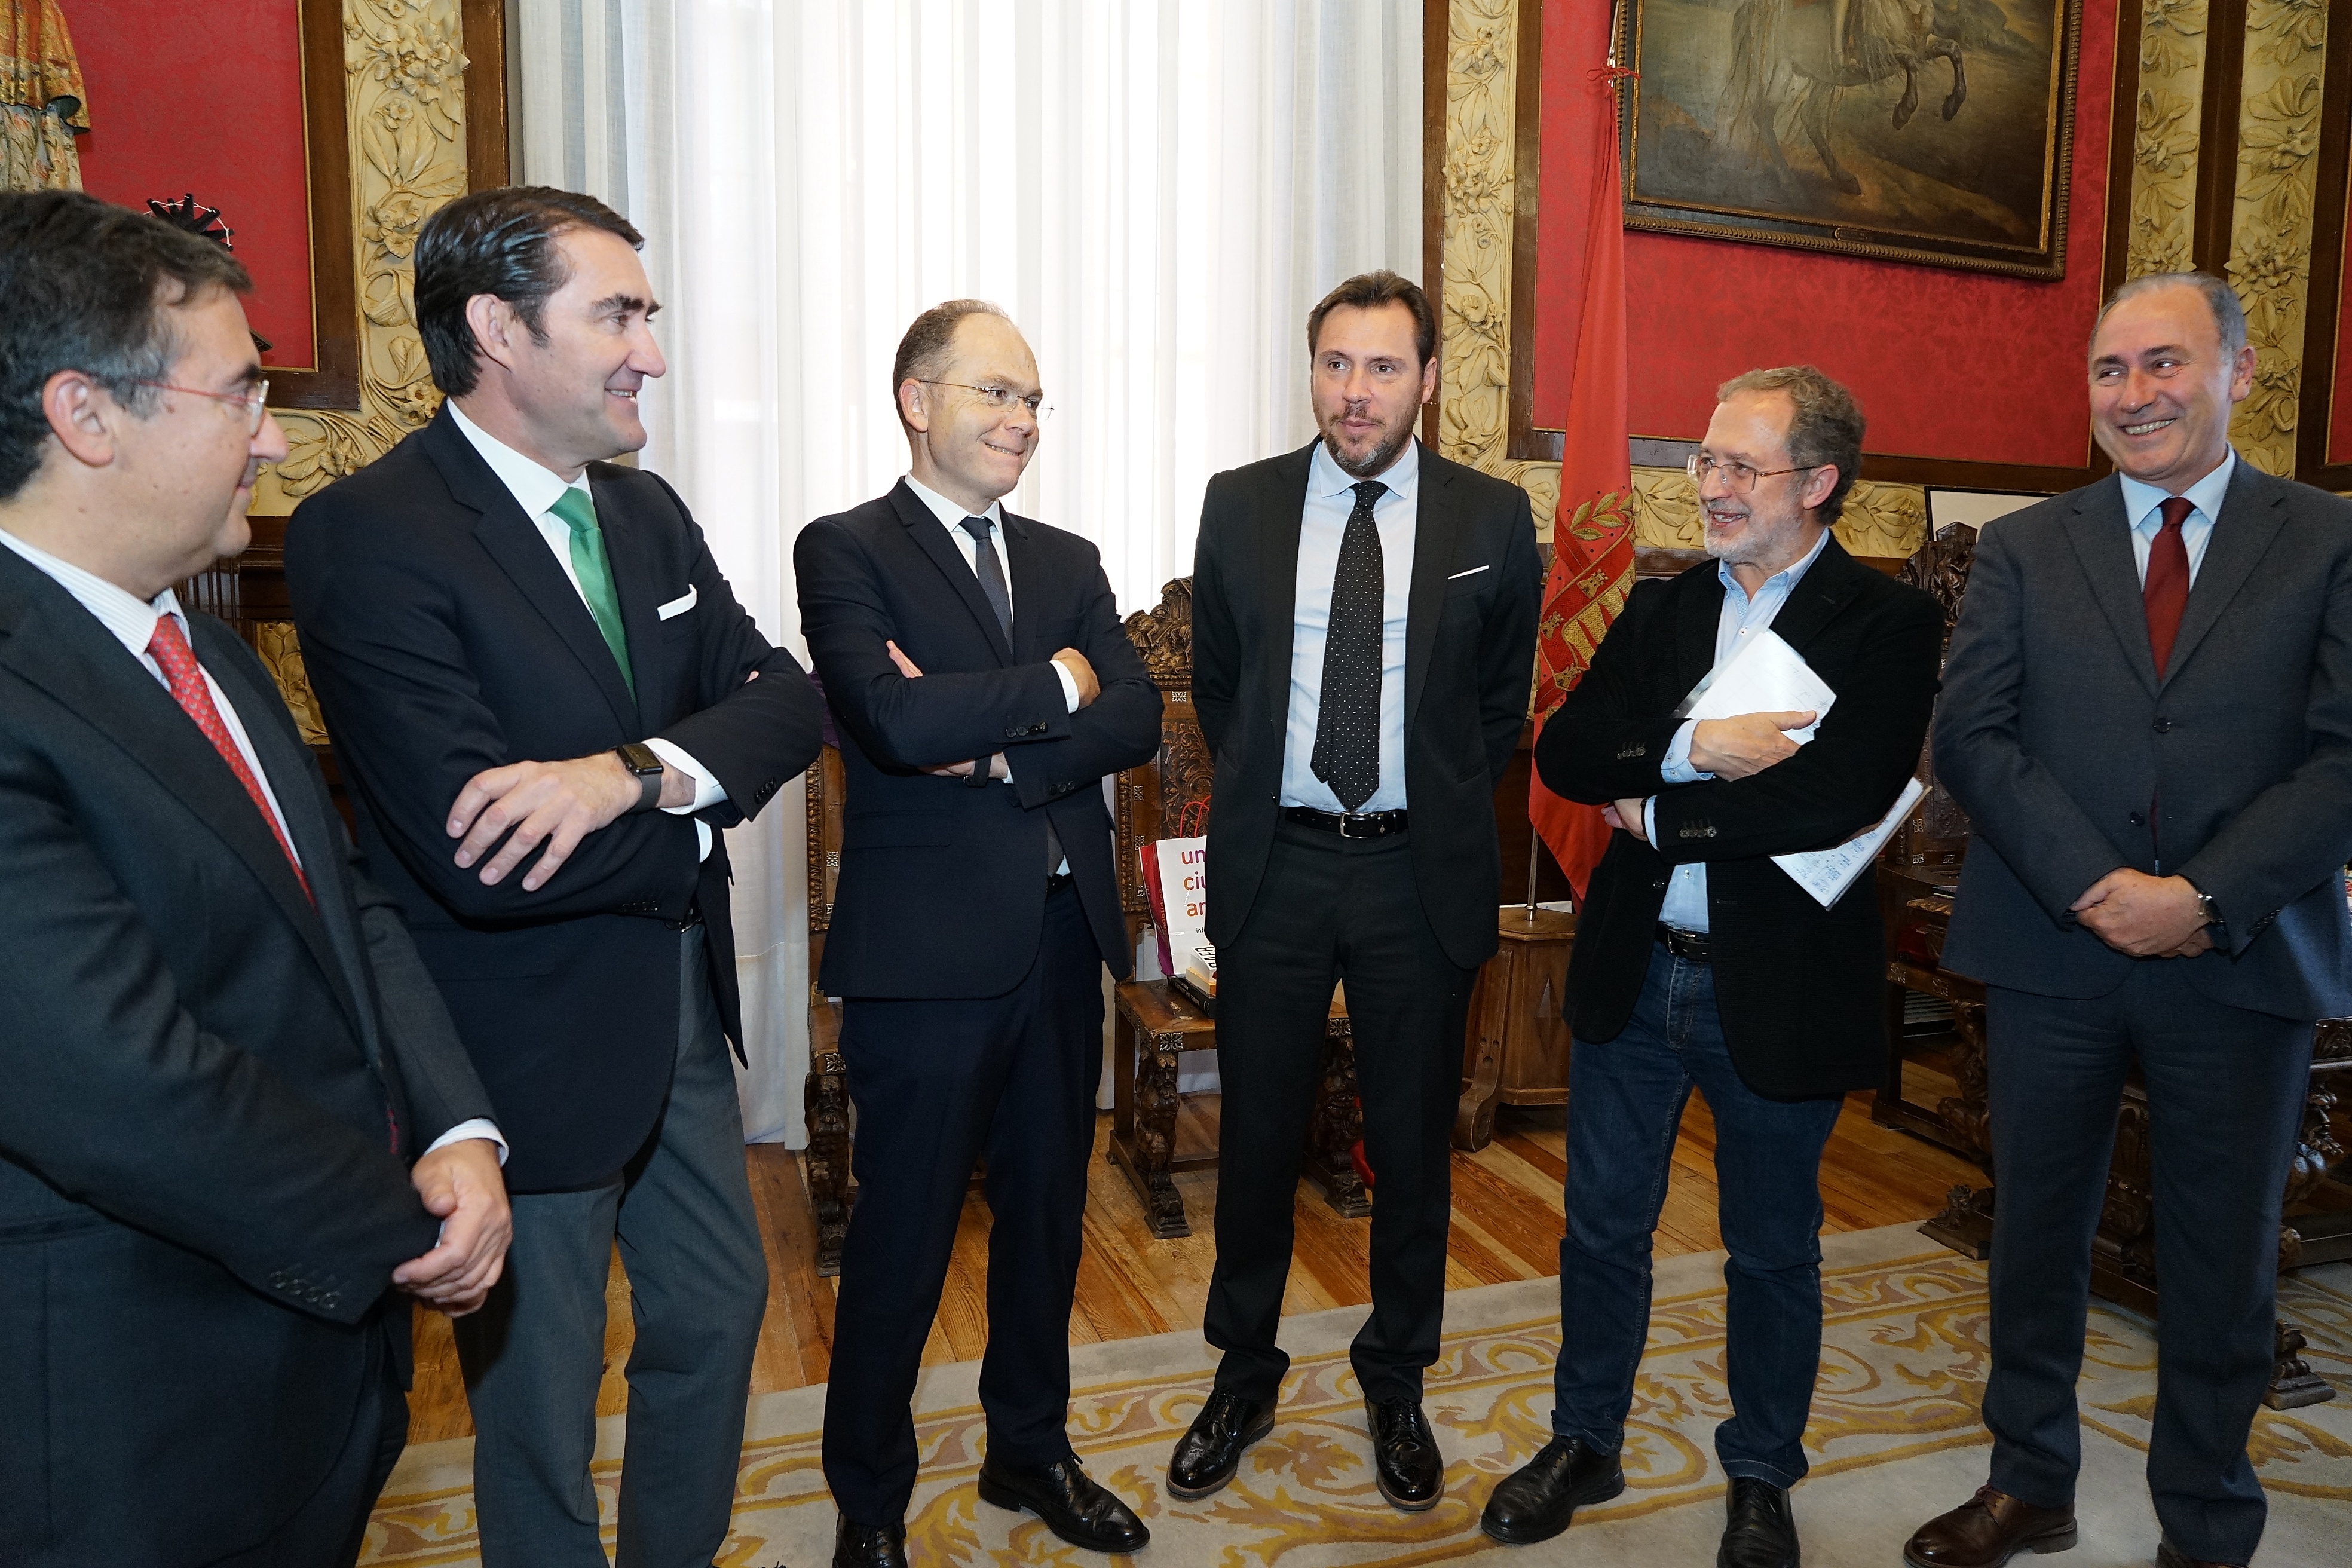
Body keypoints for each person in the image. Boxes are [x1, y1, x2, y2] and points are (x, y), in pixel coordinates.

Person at [284, 186, 823, 1567]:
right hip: (516, 1052)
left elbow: (787, 701)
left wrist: (625, 775)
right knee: (540, 1398)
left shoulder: (646, 514)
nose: (654, 353)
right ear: (495, 329)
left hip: (678, 1017)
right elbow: (485, 861)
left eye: (649, 315)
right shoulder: (369, 533)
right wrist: (698, 815)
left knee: (716, 1316)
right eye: (618, 316)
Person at [0, 190, 510, 1566]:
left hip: (304, 1377)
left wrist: (458, 1127)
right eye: (240, 393)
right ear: (86, 415)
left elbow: (347, 907)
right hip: (129, 1419)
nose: (274, 437)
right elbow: (131, 1086)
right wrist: (407, 1219)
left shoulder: (207, 650)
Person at [1904, 275, 2352, 1568]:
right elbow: (1972, 737)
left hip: (2243, 953)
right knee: (2035, 1238)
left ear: (2240, 372)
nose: (2135, 393)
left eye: (2165, 362)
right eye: (2111, 369)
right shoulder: (2028, 545)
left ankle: (2207, 1522)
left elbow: (2343, 755)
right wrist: (2099, 888)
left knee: (2225, 1260)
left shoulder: (2329, 539)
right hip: (2053, 948)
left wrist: (2203, 898)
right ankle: (2028, 1483)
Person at [1489, 366, 1941, 1568]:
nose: (1713, 487)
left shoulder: (1886, 622)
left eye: (1743, 466)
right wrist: (1699, 743)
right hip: (1637, 970)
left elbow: (1838, 795)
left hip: (1779, 985)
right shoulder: (1666, 606)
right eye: (1707, 461)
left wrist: (1660, 813)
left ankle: (1761, 1476)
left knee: (1772, 1248)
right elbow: (1572, 752)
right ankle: (1584, 1441)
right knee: (1601, 1229)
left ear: (1819, 481)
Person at [795, 299, 1163, 1568]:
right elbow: (893, 725)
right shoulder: (845, 548)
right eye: (996, 393)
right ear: (917, 399)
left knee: (1049, 1219)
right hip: (925, 959)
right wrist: (1057, 684)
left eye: (1034, 400)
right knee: (901, 1238)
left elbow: (1137, 717)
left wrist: (996, 746)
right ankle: (871, 1502)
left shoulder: (1068, 558)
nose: (1022, 420)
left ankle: (1030, 1449)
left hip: (1063, 942)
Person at [1168, 270, 1541, 1511]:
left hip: (1413, 873)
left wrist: (1416, 799)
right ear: (1312, 372)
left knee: (1413, 1147)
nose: (1356, 391)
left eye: (1383, 367)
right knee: (1258, 1140)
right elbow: (1222, 685)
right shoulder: (1241, 503)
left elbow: (1497, 707)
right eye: (1336, 363)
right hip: (1276, 866)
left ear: (1427, 378)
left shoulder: (1492, 518)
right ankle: (1243, 1372)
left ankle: (1397, 1379)